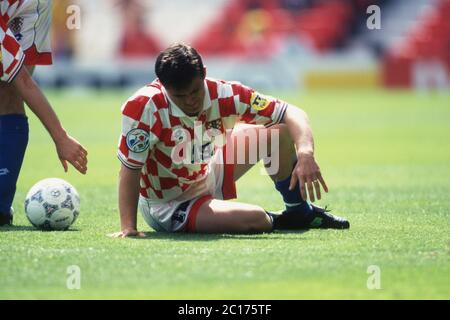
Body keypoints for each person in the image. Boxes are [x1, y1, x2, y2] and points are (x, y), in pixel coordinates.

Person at [112, 43, 349, 237]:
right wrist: (128, 228)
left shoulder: (226, 94)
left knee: (279, 131)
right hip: (168, 203)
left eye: (195, 92)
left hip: (207, 173)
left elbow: (292, 112)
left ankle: (299, 211)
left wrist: (306, 153)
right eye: (179, 96)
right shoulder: (143, 107)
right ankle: (277, 220)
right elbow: (130, 169)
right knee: (255, 219)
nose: (190, 101)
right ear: (163, 86)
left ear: (204, 73)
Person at [0, 0, 88, 226]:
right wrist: (61, 137)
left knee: (10, 91)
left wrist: (61, 137)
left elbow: (22, 82)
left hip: (27, 5)